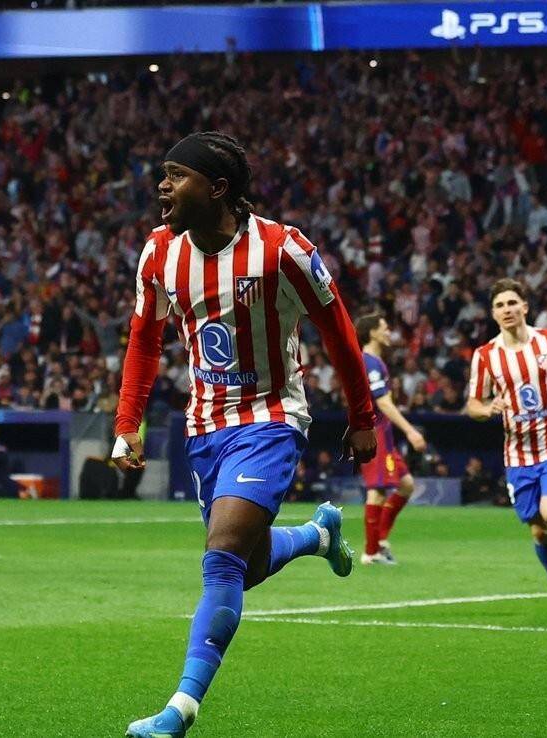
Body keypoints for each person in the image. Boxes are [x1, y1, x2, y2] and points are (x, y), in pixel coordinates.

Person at [110, 131, 376, 738]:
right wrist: (128, 424)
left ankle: (180, 710)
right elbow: (144, 340)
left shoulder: (283, 249)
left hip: (270, 418)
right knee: (245, 566)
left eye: (177, 175)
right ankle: (316, 535)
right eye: (163, 175)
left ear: (218, 188)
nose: (162, 187)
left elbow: (338, 329)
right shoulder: (159, 253)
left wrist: (362, 417)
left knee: (222, 557)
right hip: (205, 427)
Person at [465, 278, 547, 617]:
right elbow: (473, 404)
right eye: (499, 305)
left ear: (525, 307)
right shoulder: (486, 356)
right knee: (539, 530)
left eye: (512, 303)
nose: (507, 309)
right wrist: (487, 409)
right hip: (518, 454)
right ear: (493, 314)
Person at [353, 312, 427, 564]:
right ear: (372, 332)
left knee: (406, 485)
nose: (389, 332)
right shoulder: (370, 363)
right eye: (384, 328)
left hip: (383, 433)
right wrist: (410, 430)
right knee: (377, 492)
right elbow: (383, 403)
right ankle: (371, 552)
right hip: (373, 434)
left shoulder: (375, 361)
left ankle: (381, 540)